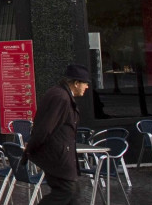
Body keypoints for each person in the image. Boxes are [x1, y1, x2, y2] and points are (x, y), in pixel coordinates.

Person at [25, 64, 90, 205]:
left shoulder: (60, 94)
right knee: (67, 192)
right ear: (76, 83)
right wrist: (30, 149)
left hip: (61, 156)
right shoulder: (61, 98)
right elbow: (45, 128)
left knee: (73, 193)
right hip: (58, 157)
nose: (87, 87)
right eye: (85, 83)